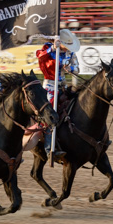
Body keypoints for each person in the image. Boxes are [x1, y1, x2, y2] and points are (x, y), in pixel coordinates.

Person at [36, 29, 80, 157]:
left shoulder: (70, 54)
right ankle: (49, 147)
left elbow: (77, 68)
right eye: (66, 45)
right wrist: (52, 49)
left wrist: (70, 69)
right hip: (49, 86)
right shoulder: (47, 49)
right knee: (50, 114)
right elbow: (39, 55)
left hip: (64, 86)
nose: (68, 48)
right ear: (60, 42)